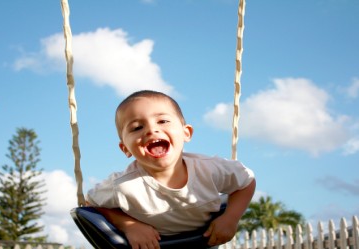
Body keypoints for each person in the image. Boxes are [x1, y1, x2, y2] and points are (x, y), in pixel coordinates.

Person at [86, 90, 256, 249]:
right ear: (126, 149)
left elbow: (247, 181)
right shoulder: (124, 185)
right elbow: (90, 204)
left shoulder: (209, 169)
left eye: (163, 121)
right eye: (137, 127)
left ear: (186, 133)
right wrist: (129, 225)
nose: (152, 130)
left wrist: (230, 218)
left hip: (204, 241)